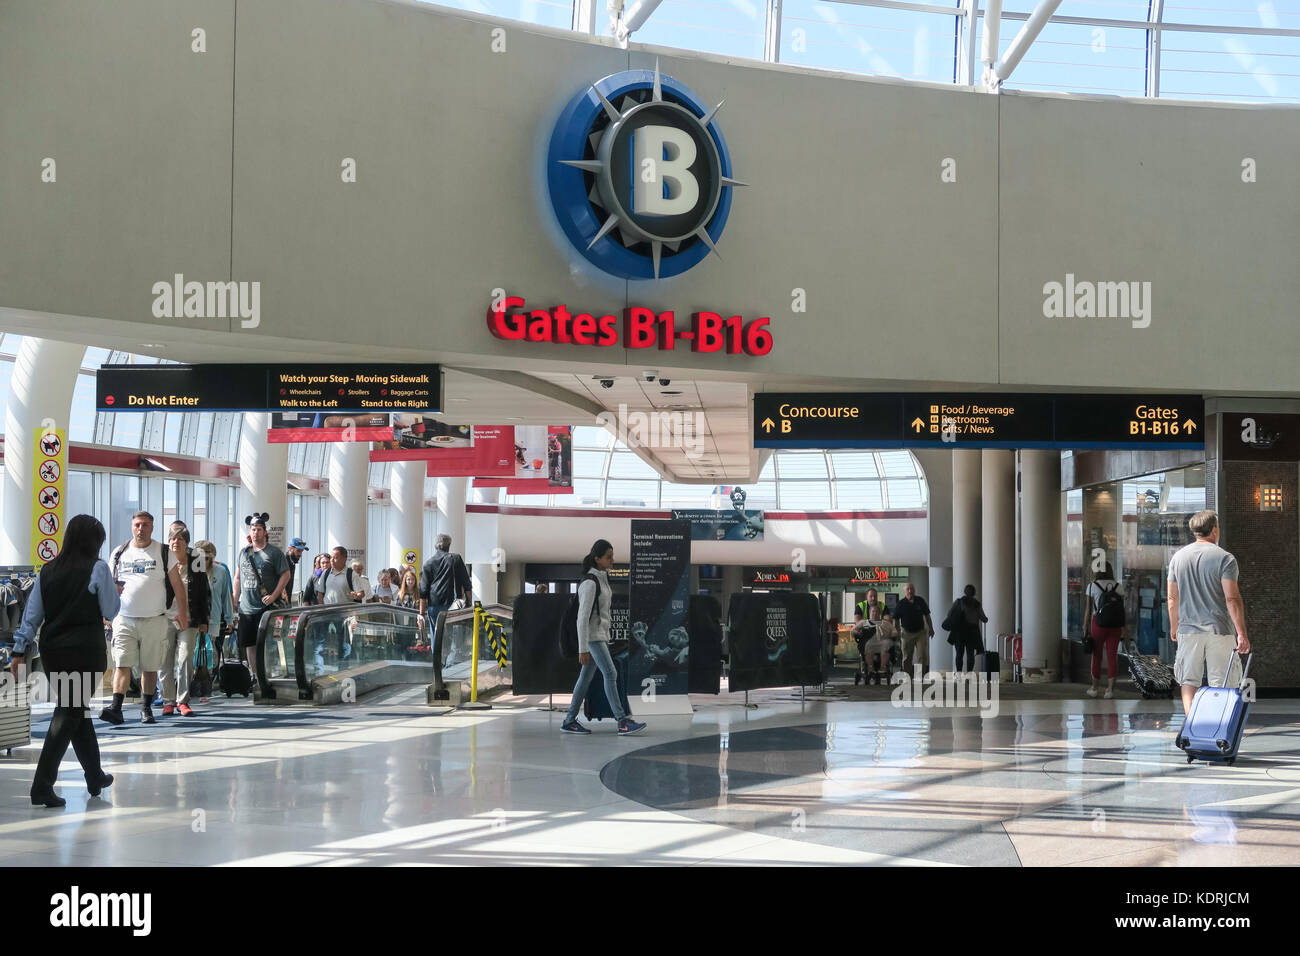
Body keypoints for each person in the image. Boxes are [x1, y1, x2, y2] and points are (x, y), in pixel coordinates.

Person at [10, 515, 119, 807]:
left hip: (54, 652)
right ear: (94, 542)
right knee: (69, 711)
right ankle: (42, 786)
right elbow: (111, 609)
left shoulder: (47, 571)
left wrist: (18, 652)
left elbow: (31, 616)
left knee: (76, 710)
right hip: (86, 650)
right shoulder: (98, 569)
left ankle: (95, 775)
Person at [102, 511, 188, 725]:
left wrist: (183, 613)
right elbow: (110, 585)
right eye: (138, 525)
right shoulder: (119, 552)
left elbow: (178, 585)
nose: (141, 529)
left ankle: (146, 707)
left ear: (152, 527)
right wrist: (106, 612)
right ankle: (116, 707)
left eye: (145, 525)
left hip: (154, 618)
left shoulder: (163, 552)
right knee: (122, 663)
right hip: (124, 618)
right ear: (132, 527)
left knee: (150, 667)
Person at [560, 539, 646, 737]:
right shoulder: (590, 583)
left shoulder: (600, 579)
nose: (612, 560)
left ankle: (569, 719)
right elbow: (582, 618)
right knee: (611, 673)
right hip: (593, 638)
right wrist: (582, 648)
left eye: (612, 555)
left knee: (586, 677)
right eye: (608, 557)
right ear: (597, 558)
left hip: (598, 636)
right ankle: (622, 721)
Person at [1168, 510, 1249, 715]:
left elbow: (1172, 598)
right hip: (1219, 630)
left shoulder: (1178, 558)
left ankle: (1192, 724)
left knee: (1188, 680)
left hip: (1188, 629)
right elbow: (1231, 598)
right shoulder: (1225, 558)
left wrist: (1174, 626)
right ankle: (1216, 725)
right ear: (1214, 530)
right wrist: (1242, 634)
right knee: (1221, 681)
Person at [232, 513, 291, 682]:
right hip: (247, 606)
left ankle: (270, 674)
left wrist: (274, 595)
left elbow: (285, 575)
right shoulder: (243, 553)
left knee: (268, 642)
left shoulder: (274, 553)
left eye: (258, 529)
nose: (255, 532)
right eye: (253, 529)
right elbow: (238, 577)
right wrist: (236, 598)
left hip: (267, 607)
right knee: (250, 644)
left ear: (265, 532)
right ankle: (256, 676)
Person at [160, 527, 211, 716]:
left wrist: (205, 619)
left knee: (185, 658)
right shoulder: (162, 562)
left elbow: (204, 593)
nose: (176, 542)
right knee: (164, 661)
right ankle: (167, 701)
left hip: (189, 620)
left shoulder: (196, 563)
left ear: (187, 543)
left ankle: (182, 701)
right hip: (165, 618)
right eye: (172, 539)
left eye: (180, 539)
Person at [419, 533, 472, 649]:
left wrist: (421, 614)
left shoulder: (428, 563)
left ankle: (437, 664)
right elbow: (467, 584)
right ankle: (448, 664)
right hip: (453, 605)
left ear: (435, 547)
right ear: (449, 546)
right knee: (453, 638)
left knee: (436, 636)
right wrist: (469, 603)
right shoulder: (455, 559)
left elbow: (423, 592)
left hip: (434, 606)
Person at [1084, 562, 1124, 699]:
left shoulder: (1092, 586)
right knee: (1112, 656)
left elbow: (1088, 610)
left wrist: (1085, 627)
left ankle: (1094, 688)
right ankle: (1110, 690)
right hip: (1115, 625)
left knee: (1097, 656)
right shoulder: (1118, 587)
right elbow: (1122, 611)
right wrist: (1126, 629)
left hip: (1098, 623)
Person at [195, 539, 235, 680]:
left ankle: (208, 680)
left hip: (214, 618)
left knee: (210, 651)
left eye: (207, 558)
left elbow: (226, 597)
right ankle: (194, 680)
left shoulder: (221, 571)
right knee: (194, 652)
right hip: (194, 619)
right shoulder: (192, 570)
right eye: (200, 557)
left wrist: (230, 619)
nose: (204, 561)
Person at [894, 582, 935, 678]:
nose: (910, 591)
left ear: (914, 590)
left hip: (920, 632)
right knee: (907, 657)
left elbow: (927, 616)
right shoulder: (901, 604)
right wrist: (897, 632)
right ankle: (907, 676)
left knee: (922, 655)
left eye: (911, 589)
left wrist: (931, 629)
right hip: (906, 633)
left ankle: (919, 676)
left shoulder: (920, 601)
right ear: (904, 591)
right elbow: (895, 619)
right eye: (908, 589)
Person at [945, 585, 987, 673]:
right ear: (974, 593)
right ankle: (969, 675)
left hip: (959, 632)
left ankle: (959, 674)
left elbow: (949, 614)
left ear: (965, 592)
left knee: (959, 654)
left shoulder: (959, 602)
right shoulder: (976, 604)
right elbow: (983, 618)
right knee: (970, 655)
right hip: (972, 632)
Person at [286, 537, 310, 604]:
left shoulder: (292, 562)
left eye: (301, 551)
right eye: (298, 551)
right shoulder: (283, 562)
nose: (300, 554)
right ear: (290, 549)